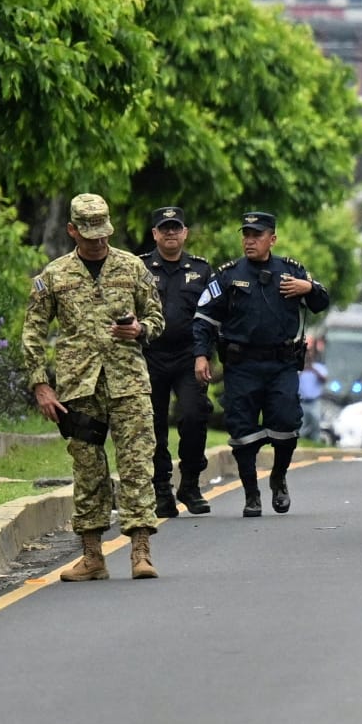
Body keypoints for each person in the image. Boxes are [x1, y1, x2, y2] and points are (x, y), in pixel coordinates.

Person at [22, 194, 167, 580]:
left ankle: (140, 551)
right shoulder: (55, 275)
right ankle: (92, 556)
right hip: (79, 387)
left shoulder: (131, 266)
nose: (99, 241)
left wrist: (140, 329)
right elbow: (33, 332)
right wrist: (41, 385)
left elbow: (157, 316)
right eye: (90, 236)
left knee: (137, 465)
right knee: (88, 470)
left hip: (128, 382)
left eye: (103, 234)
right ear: (72, 231)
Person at [192, 212, 331, 517]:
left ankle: (278, 478)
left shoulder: (292, 271)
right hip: (241, 365)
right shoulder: (228, 275)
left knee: (287, 423)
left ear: (272, 239)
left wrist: (309, 288)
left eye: (257, 235)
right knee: (242, 431)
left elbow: (322, 302)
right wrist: (201, 355)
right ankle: (251, 494)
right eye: (246, 235)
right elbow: (203, 318)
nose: (250, 241)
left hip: (281, 365)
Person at [141, 206, 214, 518]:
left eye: (175, 227)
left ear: (185, 233)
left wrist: (204, 354)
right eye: (164, 228)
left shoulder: (202, 270)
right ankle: (161, 489)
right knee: (153, 424)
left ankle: (191, 484)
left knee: (195, 415)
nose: (170, 233)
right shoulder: (139, 267)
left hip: (189, 357)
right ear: (155, 234)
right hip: (150, 356)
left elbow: (212, 317)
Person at [298, 342, 330, 441]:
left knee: (315, 423)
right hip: (301, 402)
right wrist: (303, 370)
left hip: (314, 402)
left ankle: (315, 440)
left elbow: (324, 380)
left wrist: (313, 370)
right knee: (301, 424)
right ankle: (300, 442)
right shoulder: (298, 368)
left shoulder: (319, 367)